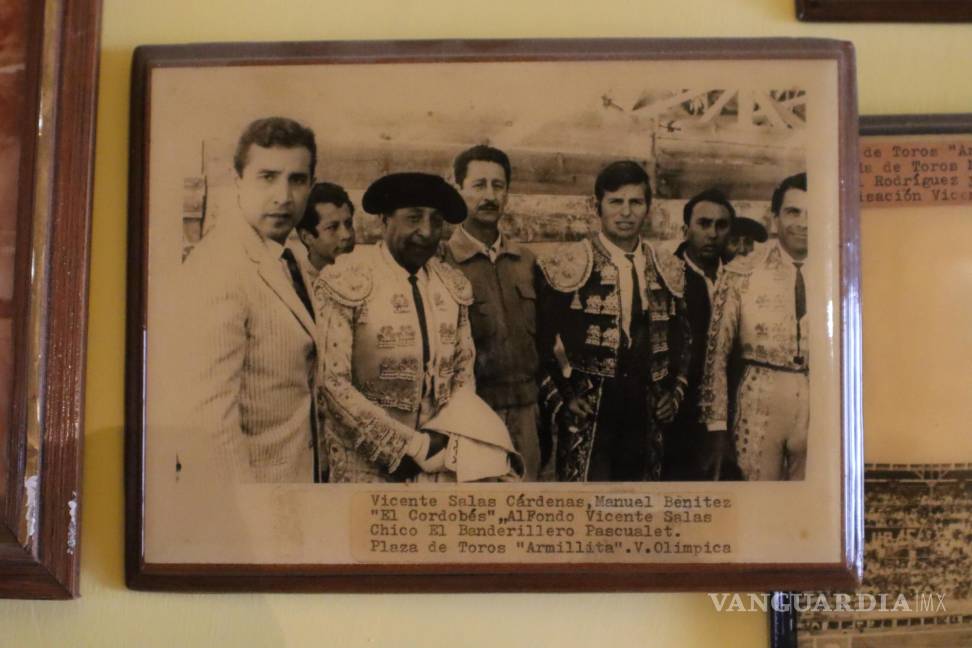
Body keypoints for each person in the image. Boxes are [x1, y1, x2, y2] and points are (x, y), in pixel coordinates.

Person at [317, 172, 522, 483]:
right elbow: (332, 384)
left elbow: (462, 378)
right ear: (384, 221)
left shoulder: (452, 285)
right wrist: (409, 446)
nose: (426, 232)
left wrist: (441, 440)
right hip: (365, 468)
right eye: (413, 218)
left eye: (436, 221)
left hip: (438, 465)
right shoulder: (347, 279)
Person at [181, 116, 320, 482]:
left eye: (297, 180)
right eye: (267, 177)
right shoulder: (220, 266)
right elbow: (209, 420)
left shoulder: (287, 255)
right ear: (238, 180)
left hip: (296, 486)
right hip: (255, 502)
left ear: (311, 186)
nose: (283, 196)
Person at [536, 161, 691, 482]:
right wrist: (563, 396)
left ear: (648, 208)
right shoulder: (570, 262)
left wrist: (673, 393)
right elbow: (538, 341)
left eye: (635, 202)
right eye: (616, 202)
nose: (626, 212)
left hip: (645, 406)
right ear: (598, 207)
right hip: (592, 406)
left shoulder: (666, 265)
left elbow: (683, 341)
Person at [442, 145, 543, 480]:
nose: (489, 196)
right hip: (473, 415)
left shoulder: (525, 262)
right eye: (479, 185)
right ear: (458, 190)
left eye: (498, 186)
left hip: (528, 412)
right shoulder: (442, 262)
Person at [700, 172, 809, 481]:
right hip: (759, 400)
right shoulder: (741, 272)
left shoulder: (840, 273)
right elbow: (715, 356)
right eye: (793, 212)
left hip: (822, 400)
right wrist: (716, 428)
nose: (803, 223)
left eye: (813, 214)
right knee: (759, 502)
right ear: (774, 218)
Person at [665, 188, 734, 480]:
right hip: (680, 412)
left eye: (721, 225)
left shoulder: (740, 278)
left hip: (731, 410)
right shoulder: (666, 277)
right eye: (703, 224)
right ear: (685, 229)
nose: (713, 233)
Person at [293, 181, 356, 290]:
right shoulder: (296, 287)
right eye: (332, 227)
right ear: (307, 237)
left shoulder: (365, 276)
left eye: (348, 224)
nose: (346, 235)